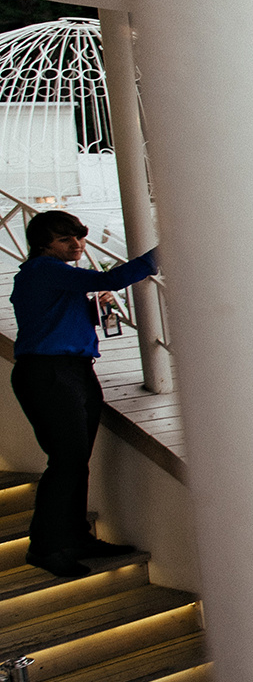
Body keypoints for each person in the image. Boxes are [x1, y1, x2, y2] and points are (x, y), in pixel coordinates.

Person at [8, 211, 158, 577]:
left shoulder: (53, 277)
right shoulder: (43, 269)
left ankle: (75, 538)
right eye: (66, 240)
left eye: (79, 237)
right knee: (66, 461)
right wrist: (162, 252)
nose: (77, 245)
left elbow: (52, 318)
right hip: (49, 373)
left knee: (74, 461)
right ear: (44, 245)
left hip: (72, 370)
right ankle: (44, 547)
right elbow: (113, 277)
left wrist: (93, 308)